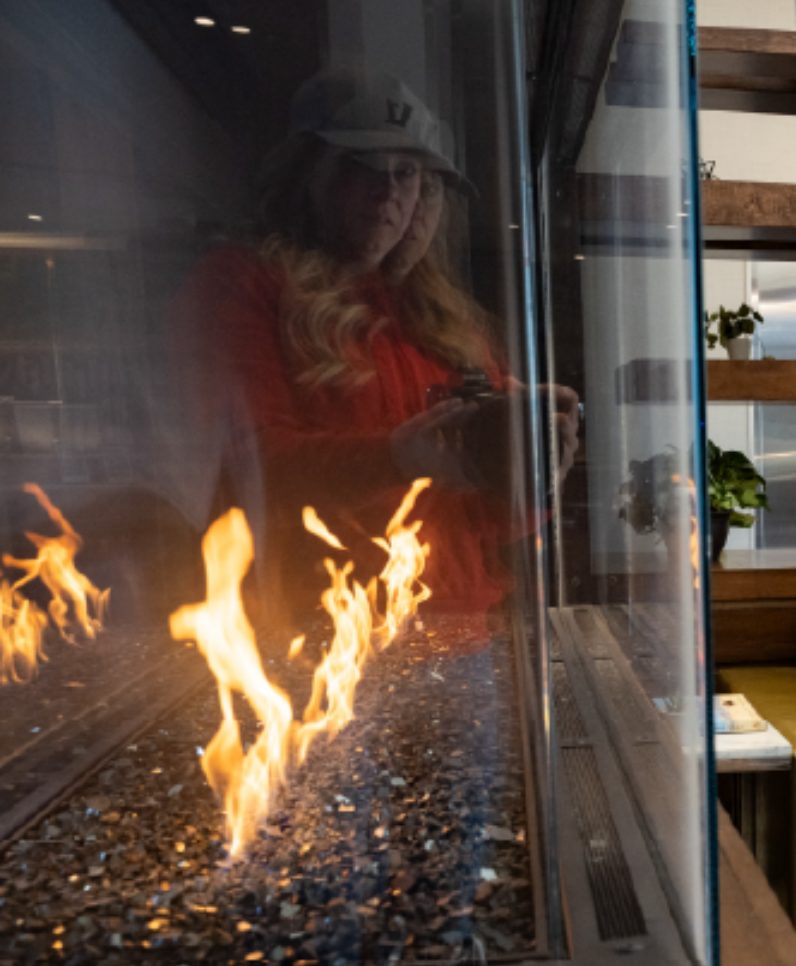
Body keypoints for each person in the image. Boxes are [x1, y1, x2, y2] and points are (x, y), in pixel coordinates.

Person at [168, 67, 577, 627]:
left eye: (406, 172)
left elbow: (485, 521)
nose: (388, 193)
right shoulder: (244, 283)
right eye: (361, 167)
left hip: (458, 633)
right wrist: (397, 458)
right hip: (320, 640)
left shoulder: (444, 320)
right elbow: (250, 473)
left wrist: (537, 470)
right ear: (307, 173)